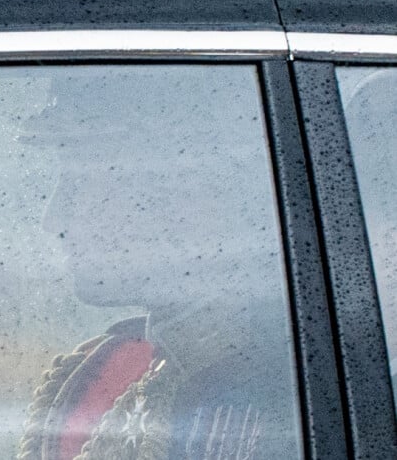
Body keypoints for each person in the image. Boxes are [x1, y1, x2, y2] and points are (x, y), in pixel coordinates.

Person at [17, 66, 302, 460]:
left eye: (80, 181)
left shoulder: (283, 391)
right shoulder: (102, 372)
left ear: (184, 189)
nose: (53, 218)